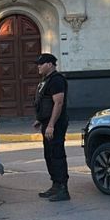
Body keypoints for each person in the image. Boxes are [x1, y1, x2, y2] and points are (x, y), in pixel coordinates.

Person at [32, 53, 69, 202]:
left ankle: (63, 189)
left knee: (57, 154)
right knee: (49, 155)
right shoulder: (46, 80)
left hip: (55, 124)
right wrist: (40, 119)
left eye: (41, 64)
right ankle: (55, 185)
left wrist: (51, 125)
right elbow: (44, 101)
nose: (38, 67)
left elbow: (58, 103)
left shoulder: (57, 80)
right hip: (46, 123)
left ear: (50, 64)